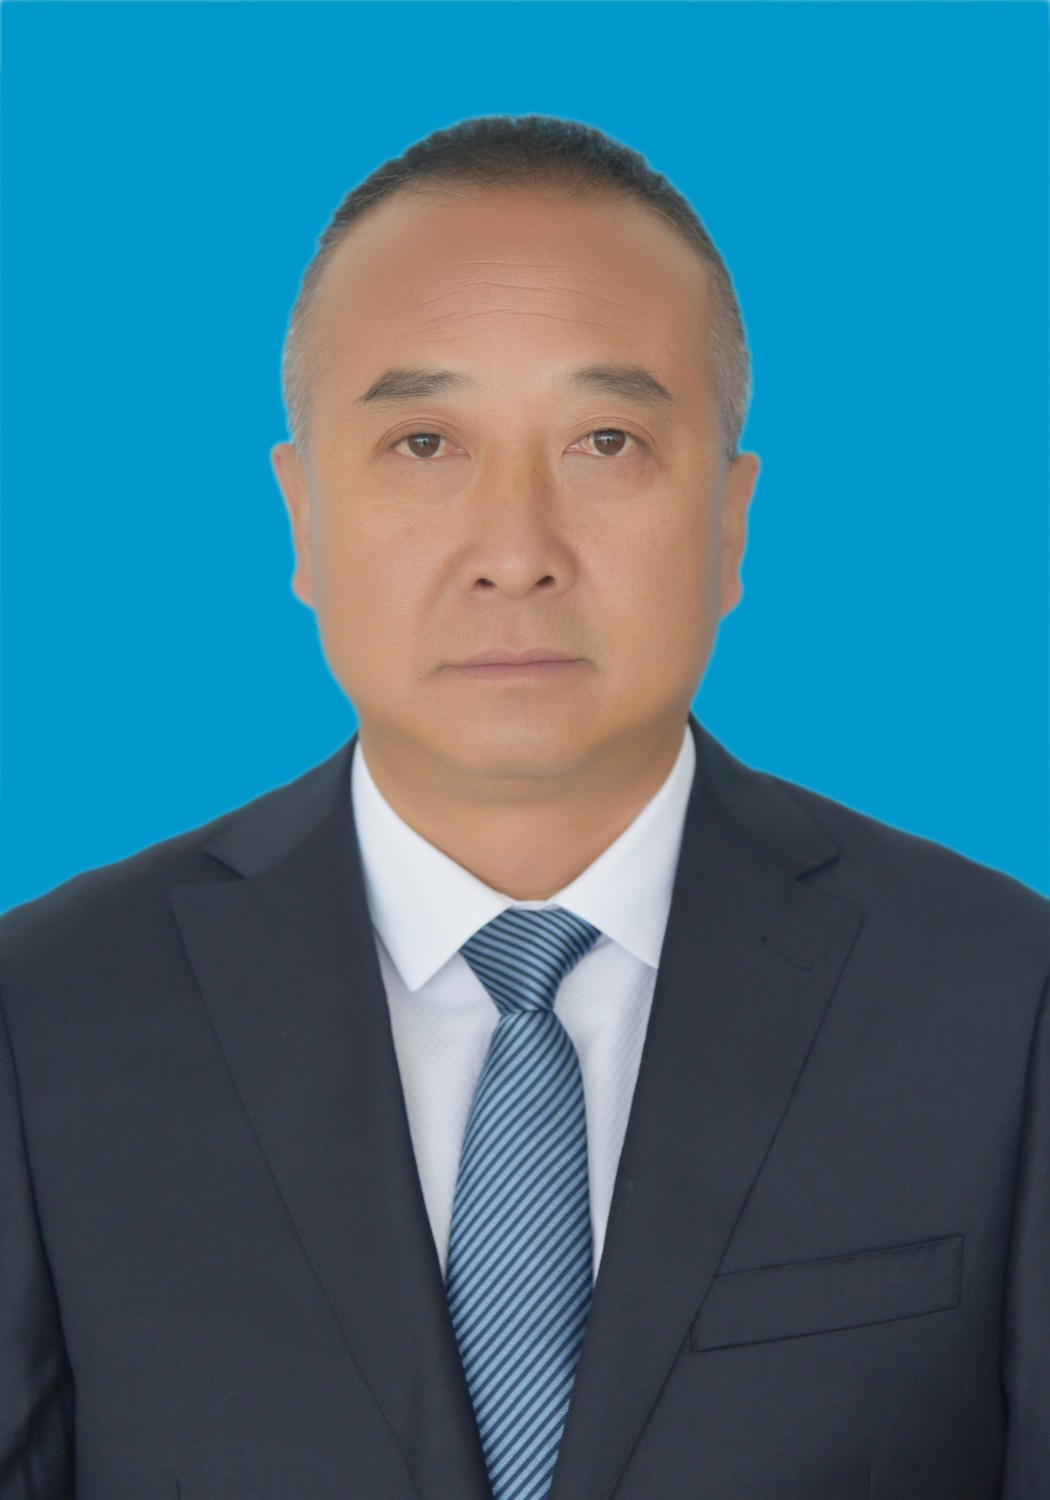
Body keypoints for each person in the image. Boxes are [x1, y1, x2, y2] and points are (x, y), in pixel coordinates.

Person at [0, 114, 1046, 1500]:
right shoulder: (46, 1014)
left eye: (605, 440)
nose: (514, 552)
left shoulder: (1002, 1000)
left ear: (730, 522)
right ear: (302, 515)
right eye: (424, 442)